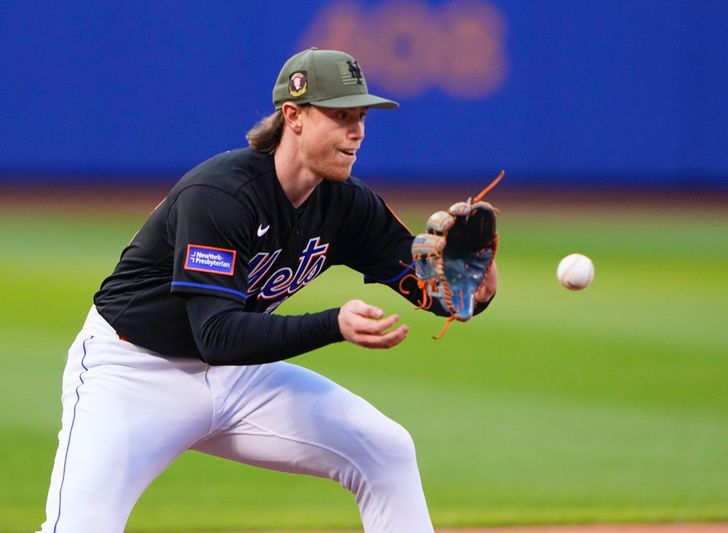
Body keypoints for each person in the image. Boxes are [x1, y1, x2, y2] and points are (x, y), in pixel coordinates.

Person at [38, 48, 498, 533]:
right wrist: (333, 323)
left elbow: (441, 293)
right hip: (133, 374)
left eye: (361, 116)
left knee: (385, 450)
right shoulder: (220, 195)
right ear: (293, 116)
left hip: (238, 379)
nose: (357, 131)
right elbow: (216, 334)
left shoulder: (347, 204)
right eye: (341, 116)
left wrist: (479, 285)